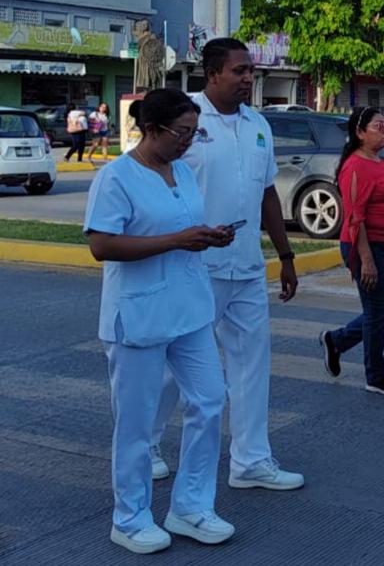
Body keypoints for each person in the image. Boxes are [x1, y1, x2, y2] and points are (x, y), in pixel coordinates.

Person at [85, 90, 234, 554]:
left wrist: (207, 237)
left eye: (195, 133)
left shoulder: (183, 173)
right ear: (152, 129)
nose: (188, 143)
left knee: (210, 401)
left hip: (189, 310)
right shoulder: (117, 178)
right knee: (137, 422)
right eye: (182, 133)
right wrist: (176, 240)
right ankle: (129, 519)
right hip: (139, 314)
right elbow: (102, 246)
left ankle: (190, 506)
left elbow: (183, 229)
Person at [151, 38, 303, 491]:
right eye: (238, 71)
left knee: (252, 366)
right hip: (195, 266)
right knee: (175, 367)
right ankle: (149, 443)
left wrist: (287, 255)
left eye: (250, 71)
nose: (247, 78)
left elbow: (267, 192)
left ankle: (251, 460)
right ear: (213, 73)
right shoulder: (186, 121)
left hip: (247, 268)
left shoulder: (258, 124)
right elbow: (157, 182)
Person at [318, 106, 384, 396]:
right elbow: (355, 217)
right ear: (359, 132)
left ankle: (337, 340)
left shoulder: (381, 163)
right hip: (366, 246)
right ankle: (376, 375)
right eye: (378, 126)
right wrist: (366, 259)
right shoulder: (355, 166)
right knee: (377, 311)